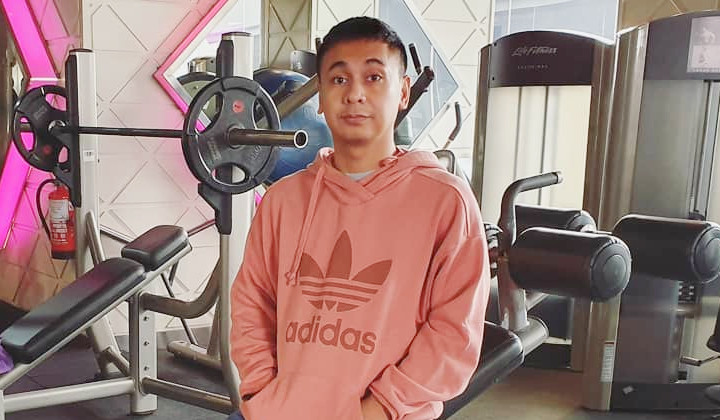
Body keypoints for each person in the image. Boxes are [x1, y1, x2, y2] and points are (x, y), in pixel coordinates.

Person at [229, 16, 490, 420]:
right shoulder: (283, 200)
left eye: (373, 78)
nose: (354, 94)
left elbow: (454, 334)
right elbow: (252, 305)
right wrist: (262, 395)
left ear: (403, 92)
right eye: (339, 79)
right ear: (320, 95)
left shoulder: (446, 201)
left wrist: (376, 411)